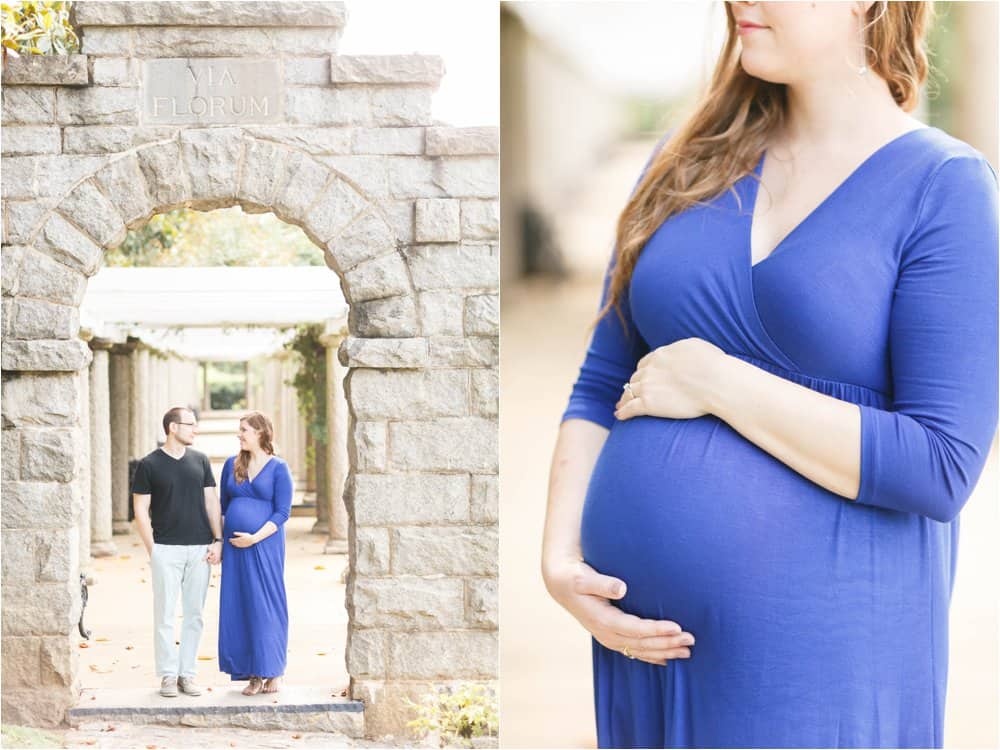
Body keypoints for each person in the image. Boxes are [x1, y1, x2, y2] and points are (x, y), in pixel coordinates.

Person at [542, 2, 998, 748]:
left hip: (821, 661)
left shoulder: (945, 186)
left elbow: (940, 465)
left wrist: (719, 382)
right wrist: (560, 561)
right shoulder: (684, 161)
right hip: (646, 656)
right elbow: (602, 382)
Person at [133, 407, 223, 698]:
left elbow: (211, 502)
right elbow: (140, 510)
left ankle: (188, 674)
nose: (195, 430)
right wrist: (153, 550)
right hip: (166, 551)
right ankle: (168, 676)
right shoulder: (149, 464)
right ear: (173, 427)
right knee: (166, 615)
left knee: (195, 615)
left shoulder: (200, 460)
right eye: (190, 425)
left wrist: (218, 539)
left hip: (199, 549)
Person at [217, 410, 293, 695]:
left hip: (265, 545)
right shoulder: (231, 465)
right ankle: (251, 674)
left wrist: (254, 538)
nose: (240, 435)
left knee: (267, 605)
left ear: (261, 433)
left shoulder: (279, 468)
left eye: (245, 430)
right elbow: (223, 507)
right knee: (240, 605)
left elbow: (283, 512)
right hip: (236, 550)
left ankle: (273, 670)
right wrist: (220, 542)